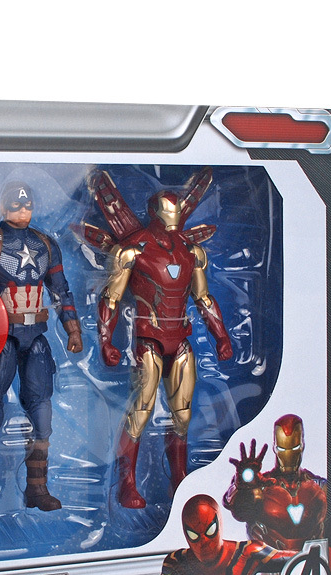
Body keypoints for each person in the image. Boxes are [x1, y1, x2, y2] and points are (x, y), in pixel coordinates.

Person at [88, 169, 232, 508]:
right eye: (168, 212)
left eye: (176, 212)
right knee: (140, 411)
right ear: (155, 213)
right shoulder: (131, 251)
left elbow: (203, 298)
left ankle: (179, 479)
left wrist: (221, 336)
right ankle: (127, 485)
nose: (173, 217)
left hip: (179, 338)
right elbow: (110, 298)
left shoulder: (192, 252)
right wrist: (106, 341)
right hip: (148, 340)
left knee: (182, 415)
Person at [0, 181, 83, 514]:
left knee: (42, 414)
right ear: (2, 208)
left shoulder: (45, 244)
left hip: (36, 335)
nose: (23, 211)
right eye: (16, 205)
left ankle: (37, 489)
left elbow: (61, 290)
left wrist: (72, 328)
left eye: (27, 206)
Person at [130, 495, 296, 575]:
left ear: (219, 524)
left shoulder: (247, 553)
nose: (204, 543)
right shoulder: (177, 564)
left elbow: (293, 559)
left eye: (209, 532)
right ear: (186, 534)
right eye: (194, 535)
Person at [223, 413, 327, 575]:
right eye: (283, 449)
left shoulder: (319, 487)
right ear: (275, 447)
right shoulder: (262, 486)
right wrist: (243, 483)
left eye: (294, 448)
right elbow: (237, 508)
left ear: (302, 445)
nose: (289, 455)